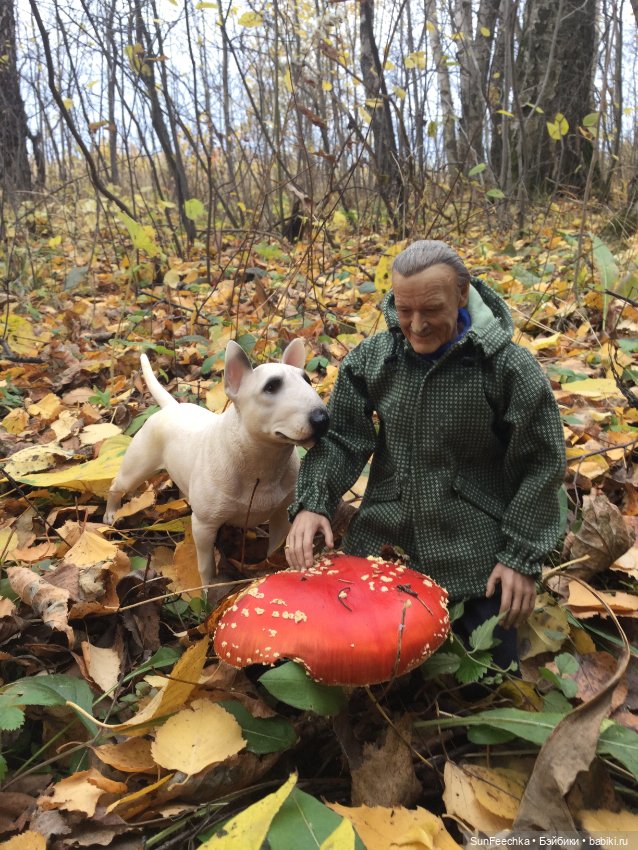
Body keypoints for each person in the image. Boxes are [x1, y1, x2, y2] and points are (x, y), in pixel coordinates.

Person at [285, 240, 566, 670]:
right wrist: (313, 502)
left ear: (461, 294)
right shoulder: (376, 361)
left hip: (475, 551)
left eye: (432, 309)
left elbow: (541, 463)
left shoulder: (506, 369)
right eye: (404, 309)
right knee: (338, 655)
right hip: (385, 540)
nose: (416, 325)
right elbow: (342, 437)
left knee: (487, 668)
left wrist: (520, 556)